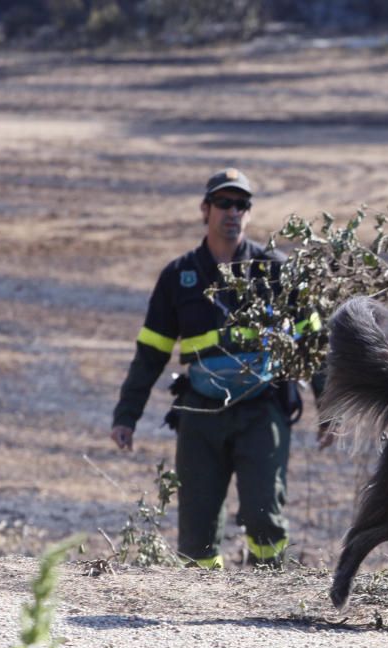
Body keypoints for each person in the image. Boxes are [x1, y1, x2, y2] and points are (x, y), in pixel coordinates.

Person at [110, 167, 323, 569]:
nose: (233, 212)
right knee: (197, 531)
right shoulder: (178, 276)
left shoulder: (274, 269)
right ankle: (201, 613)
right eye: (224, 203)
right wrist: (126, 416)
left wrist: (329, 409)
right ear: (204, 209)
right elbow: (151, 352)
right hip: (200, 414)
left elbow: (312, 341)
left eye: (241, 204)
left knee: (265, 517)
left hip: (263, 409)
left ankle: (269, 601)